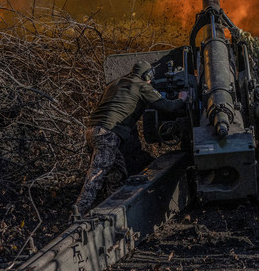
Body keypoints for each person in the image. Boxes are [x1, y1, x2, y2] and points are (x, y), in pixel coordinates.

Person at [74, 59, 187, 216]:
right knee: (96, 175)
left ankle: (112, 209)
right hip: (108, 134)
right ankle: (78, 212)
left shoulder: (113, 84)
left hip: (92, 131)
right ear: (147, 75)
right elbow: (167, 106)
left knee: (117, 173)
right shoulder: (141, 86)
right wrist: (182, 98)